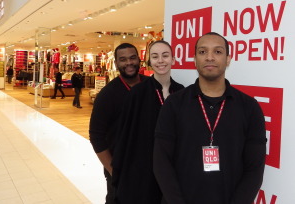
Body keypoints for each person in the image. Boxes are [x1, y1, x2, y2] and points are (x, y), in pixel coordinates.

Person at [153, 32, 267, 204]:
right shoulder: (174, 104)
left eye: (218, 52)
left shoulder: (249, 107)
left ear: (228, 59)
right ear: (194, 59)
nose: (210, 57)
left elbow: (254, 169)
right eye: (203, 52)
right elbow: (161, 162)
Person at [112, 40, 184, 204]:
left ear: (173, 59)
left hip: (173, 169)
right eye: (155, 56)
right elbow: (125, 135)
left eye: (165, 56)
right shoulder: (137, 93)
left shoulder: (182, 93)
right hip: (143, 170)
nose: (160, 61)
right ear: (149, 61)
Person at [89, 43, 148, 204]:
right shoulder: (107, 95)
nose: (129, 63)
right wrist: (114, 172)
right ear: (116, 63)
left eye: (132, 58)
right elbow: (96, 136)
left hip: (148, 168)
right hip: (121, 169)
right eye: (123, 59)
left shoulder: (150, 86)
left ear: (139, 59)